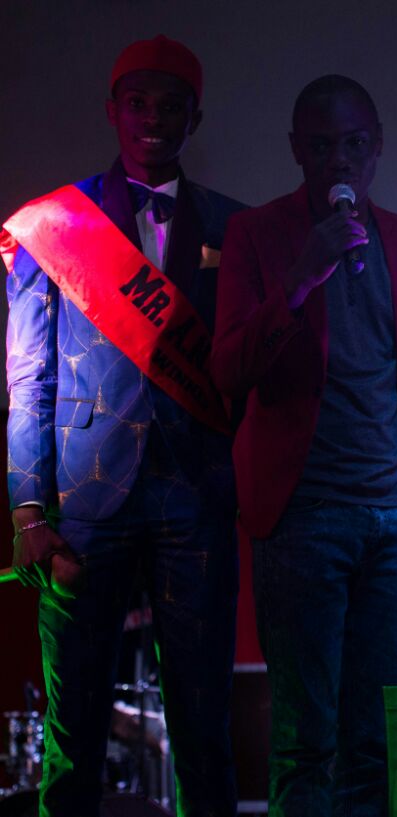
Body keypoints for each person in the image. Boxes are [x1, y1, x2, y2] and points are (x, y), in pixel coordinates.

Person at [3, 35, 241, 816]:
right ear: (113, 111)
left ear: (194, 117)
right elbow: (26, 374)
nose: (153, 118)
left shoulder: (235, 230)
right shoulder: (55, 224)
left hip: (195, 504)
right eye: (138, 102)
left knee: (205, 729)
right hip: (83, 507)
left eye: (171, 105)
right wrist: (28, 509)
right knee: (73, 737)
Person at [210, 75, 397, 816]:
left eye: (352, 144)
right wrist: (303, 276)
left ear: (376, 147)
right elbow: (228, 370)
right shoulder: (258, 235)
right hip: (303, 515)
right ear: (296, 151)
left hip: (393, 519)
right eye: (320, 146)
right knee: (304, 742)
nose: (338, 161)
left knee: (375, 740)